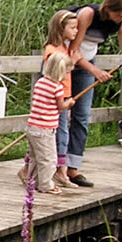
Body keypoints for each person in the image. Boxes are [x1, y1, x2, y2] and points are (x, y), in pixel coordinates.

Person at [65, 0, 122, 187]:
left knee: (82, 115)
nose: (120, 19)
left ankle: (74, 167)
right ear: (108, 9)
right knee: (60, 115)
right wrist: (95, 71)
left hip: (88, 62)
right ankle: (55, 165)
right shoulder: (88, 14)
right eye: (118, 14)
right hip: (67, 63)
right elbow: (73, 50)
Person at [20, 53, 76, 194]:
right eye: (67, 73)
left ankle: (33, 181)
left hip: (32, 126)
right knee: (49, 159)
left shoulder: (40, 82)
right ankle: (46, 185)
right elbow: (60, 107)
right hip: (45, 129)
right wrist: (69, 103)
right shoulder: (57, 88)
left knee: (34, 157)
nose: (68, 76)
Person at [44, 10, 81, 186]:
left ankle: (59, 170)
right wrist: (72, 63)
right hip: (56, 99)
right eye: (72, 27)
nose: (75, 31)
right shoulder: (52, 50)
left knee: (61, 133)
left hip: (65, 95)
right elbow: (55, 73)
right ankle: (60, 171)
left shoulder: (64, 48)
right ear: (61, 28)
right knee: (59, 135)